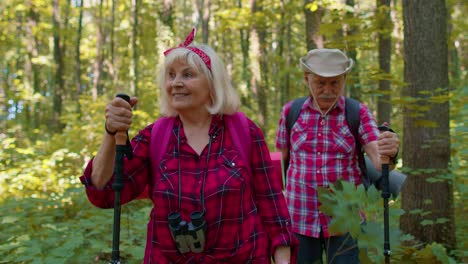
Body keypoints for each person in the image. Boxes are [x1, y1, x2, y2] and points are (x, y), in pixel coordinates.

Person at [80, 28, 297, 264]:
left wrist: (283, 258)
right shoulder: (156, 136)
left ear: (213, 84)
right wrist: (111, 133)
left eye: (187, 75)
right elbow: (103, 193)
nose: (176, 83)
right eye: (171, 75)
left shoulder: (244, 131)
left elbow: (272, 203)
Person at [275, 48, 400, 264]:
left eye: (335, 83)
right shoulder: (291, 112)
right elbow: (278, 164)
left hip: (345, 220)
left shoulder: (357, 112)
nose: (328, 90)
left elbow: (379, 160)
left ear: (344, 80)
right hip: (299, 216)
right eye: (320, 83)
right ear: (307, 79)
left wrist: (390, 149)